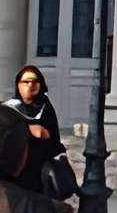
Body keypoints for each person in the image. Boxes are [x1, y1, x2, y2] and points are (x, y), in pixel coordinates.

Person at [9, 64, 73, 198]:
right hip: (17, 166)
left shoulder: (44, 106)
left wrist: (25, 128)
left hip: (40, 167)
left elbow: (43, 133)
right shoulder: (11, 106)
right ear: (18, 85)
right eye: (25, 82)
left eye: (34, 81)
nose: (30, 85)